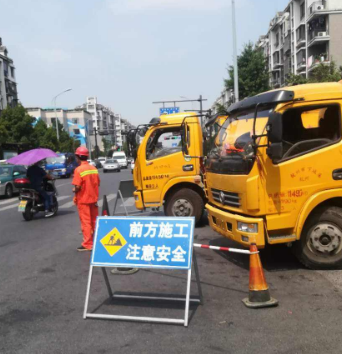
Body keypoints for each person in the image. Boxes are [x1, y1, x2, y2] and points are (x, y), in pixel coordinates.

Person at [72, 146, 100, 251]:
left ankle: (88, 244)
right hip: (93, 198)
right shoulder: (94, 169)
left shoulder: (78, 170)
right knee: (94, 221)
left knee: (86, 222)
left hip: (83, 200)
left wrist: (74, 190)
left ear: (78, 157)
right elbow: (98, 183)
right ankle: (96, 240)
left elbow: (78, 186)